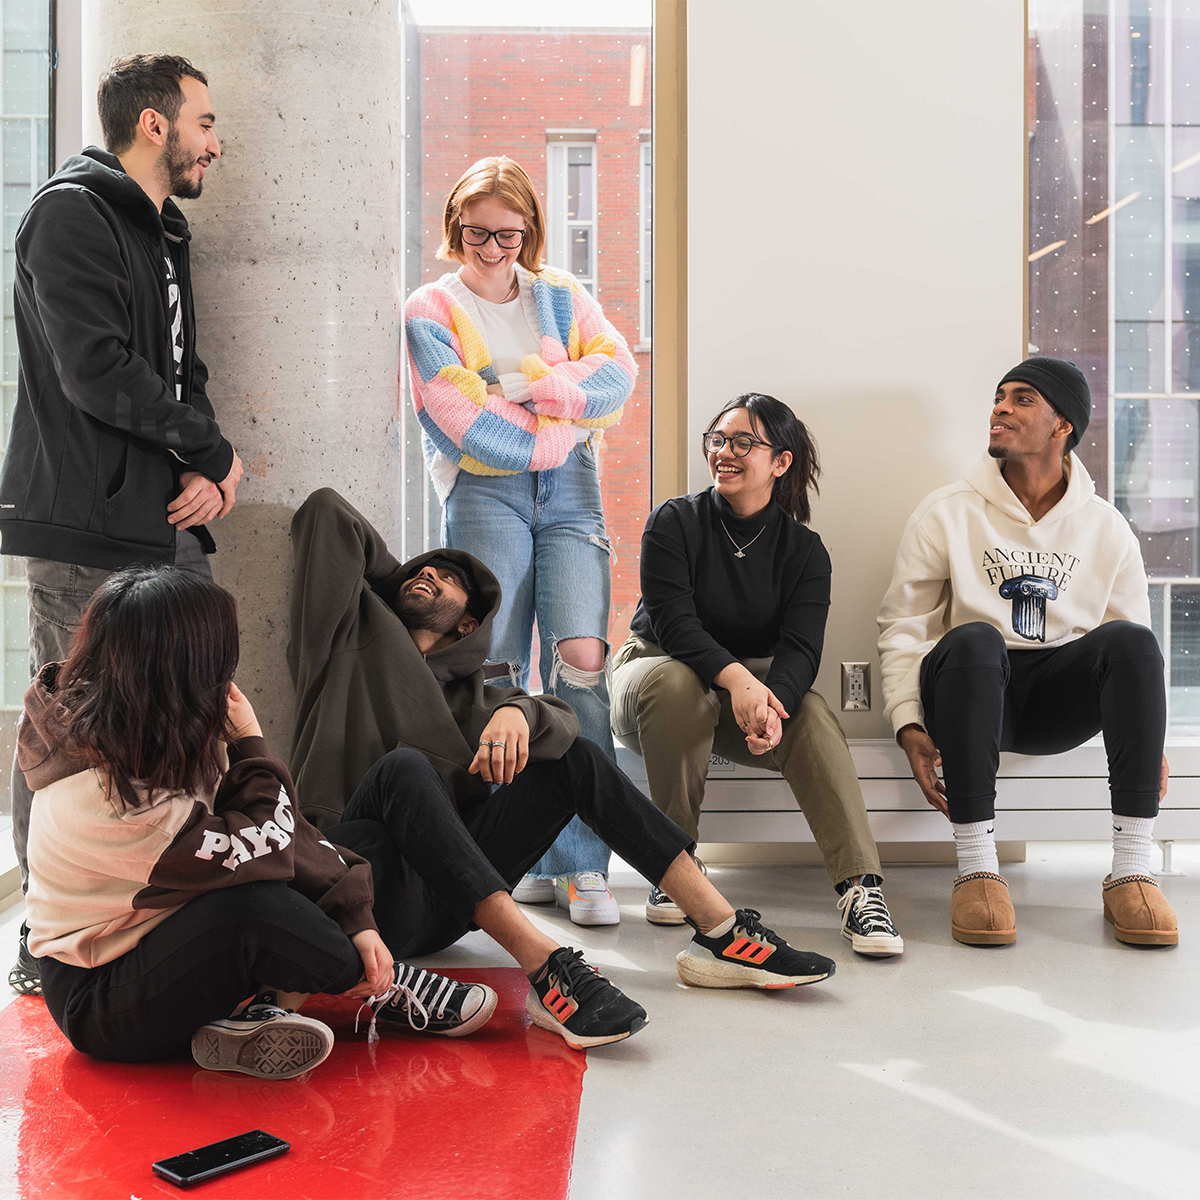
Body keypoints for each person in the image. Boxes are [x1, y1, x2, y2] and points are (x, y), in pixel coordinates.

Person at [288, 487, 838, 1051]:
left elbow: (564, 724)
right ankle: (548, 968)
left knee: (572, 757)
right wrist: (406, 577)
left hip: (444, 905)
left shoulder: (477, 700)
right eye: (422, 570)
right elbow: (326, 511)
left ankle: (721, 930)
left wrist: (517, 708)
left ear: (467, 626)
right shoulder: (342, 642)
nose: (429, 574)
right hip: (354, 880)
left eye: (448, 579)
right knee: (404, 768)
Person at [23, 566, 498, 1081]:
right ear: (178, 666)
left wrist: (356, 914)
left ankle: (261, 1013)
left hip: (167, 929)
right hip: (103, 998)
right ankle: (381, 981)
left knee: (362, 845)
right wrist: (251, 742)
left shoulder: (142, 718)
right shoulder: (107, 799)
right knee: (257, 907)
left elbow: (282, 834)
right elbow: (267, 844)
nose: (228, 671)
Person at [0, 54, 246, 995]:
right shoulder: (71, 213)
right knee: (68, 727)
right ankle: (45, 932)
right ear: (155, 124)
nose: (215, 143)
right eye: (206, 122)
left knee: (192, 704)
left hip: (164, 516)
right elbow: (94, 369)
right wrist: (208, 448)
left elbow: (182, 365)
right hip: (86, 522)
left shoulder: (162, 227)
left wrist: (203, 462)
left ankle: (167, 907)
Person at [404, 156, 637, 926]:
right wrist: (558, 416)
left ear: (530, 229)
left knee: (581, 661)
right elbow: (454, 411)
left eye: (509, 234)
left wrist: (538, 389)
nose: (495, 249)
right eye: (478, 233)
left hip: (572, 490)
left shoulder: (562, 296)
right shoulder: (430, 309)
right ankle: (514, 848)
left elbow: (618, 374)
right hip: (484, 491)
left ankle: (581, 864)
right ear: (455, 229)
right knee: (495, 664)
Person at [877, 356, 1177, 947]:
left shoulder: (1106, 527)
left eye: (1021, 400)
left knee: (1134, 642)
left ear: (1063, 425)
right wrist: (908, 720)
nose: (1000, 409)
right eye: (998, 397)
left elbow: (1130, 645)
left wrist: (1152, 742)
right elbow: (904, 625)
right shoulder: (948, 511)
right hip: (969, 686)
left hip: (1053, 701)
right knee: (975, 638)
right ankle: (977, 868)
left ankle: (1132, 869)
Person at [610, 394, 904, 957]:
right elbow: (674, 626)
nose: (724, 452)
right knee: (677, 683)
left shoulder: (806, 552)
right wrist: (740, 681)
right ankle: (675, 869)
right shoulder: (673, 522)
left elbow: (799, 651)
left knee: (811, 711)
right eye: (717, 440)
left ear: (781, 462)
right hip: (651, 675)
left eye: (743, 443)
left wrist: (775, 706)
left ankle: (860, 887)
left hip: (734, 694)